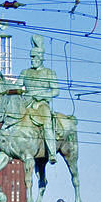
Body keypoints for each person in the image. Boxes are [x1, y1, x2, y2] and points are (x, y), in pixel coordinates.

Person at [19, 35, 60, 164]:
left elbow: (55, 91)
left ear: (41, 58)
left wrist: (43, 95)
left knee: (47, 122)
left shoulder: (49, 73)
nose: (32, 60)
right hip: (27, 103)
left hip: (41, 104)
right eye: (31, 57)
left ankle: (52, 152)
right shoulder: (25, 72)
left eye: (35, 57)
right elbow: (17, 86)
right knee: (11, 118)